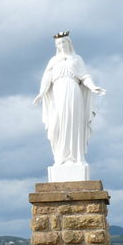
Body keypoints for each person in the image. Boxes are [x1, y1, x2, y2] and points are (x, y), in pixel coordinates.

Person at [33, 31, 105, 181]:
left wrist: (93, 87)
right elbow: (47, 78)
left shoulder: (77, 59)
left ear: (69, 43)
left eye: (63, 42)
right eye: (59, 43)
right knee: (57, 125)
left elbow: (84, 76)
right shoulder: (53, 61)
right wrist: (41, 93)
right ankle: (61, 157)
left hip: (73, 91)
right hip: (57, 93)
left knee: (73, 123)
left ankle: (76, 157)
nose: (61, 45)